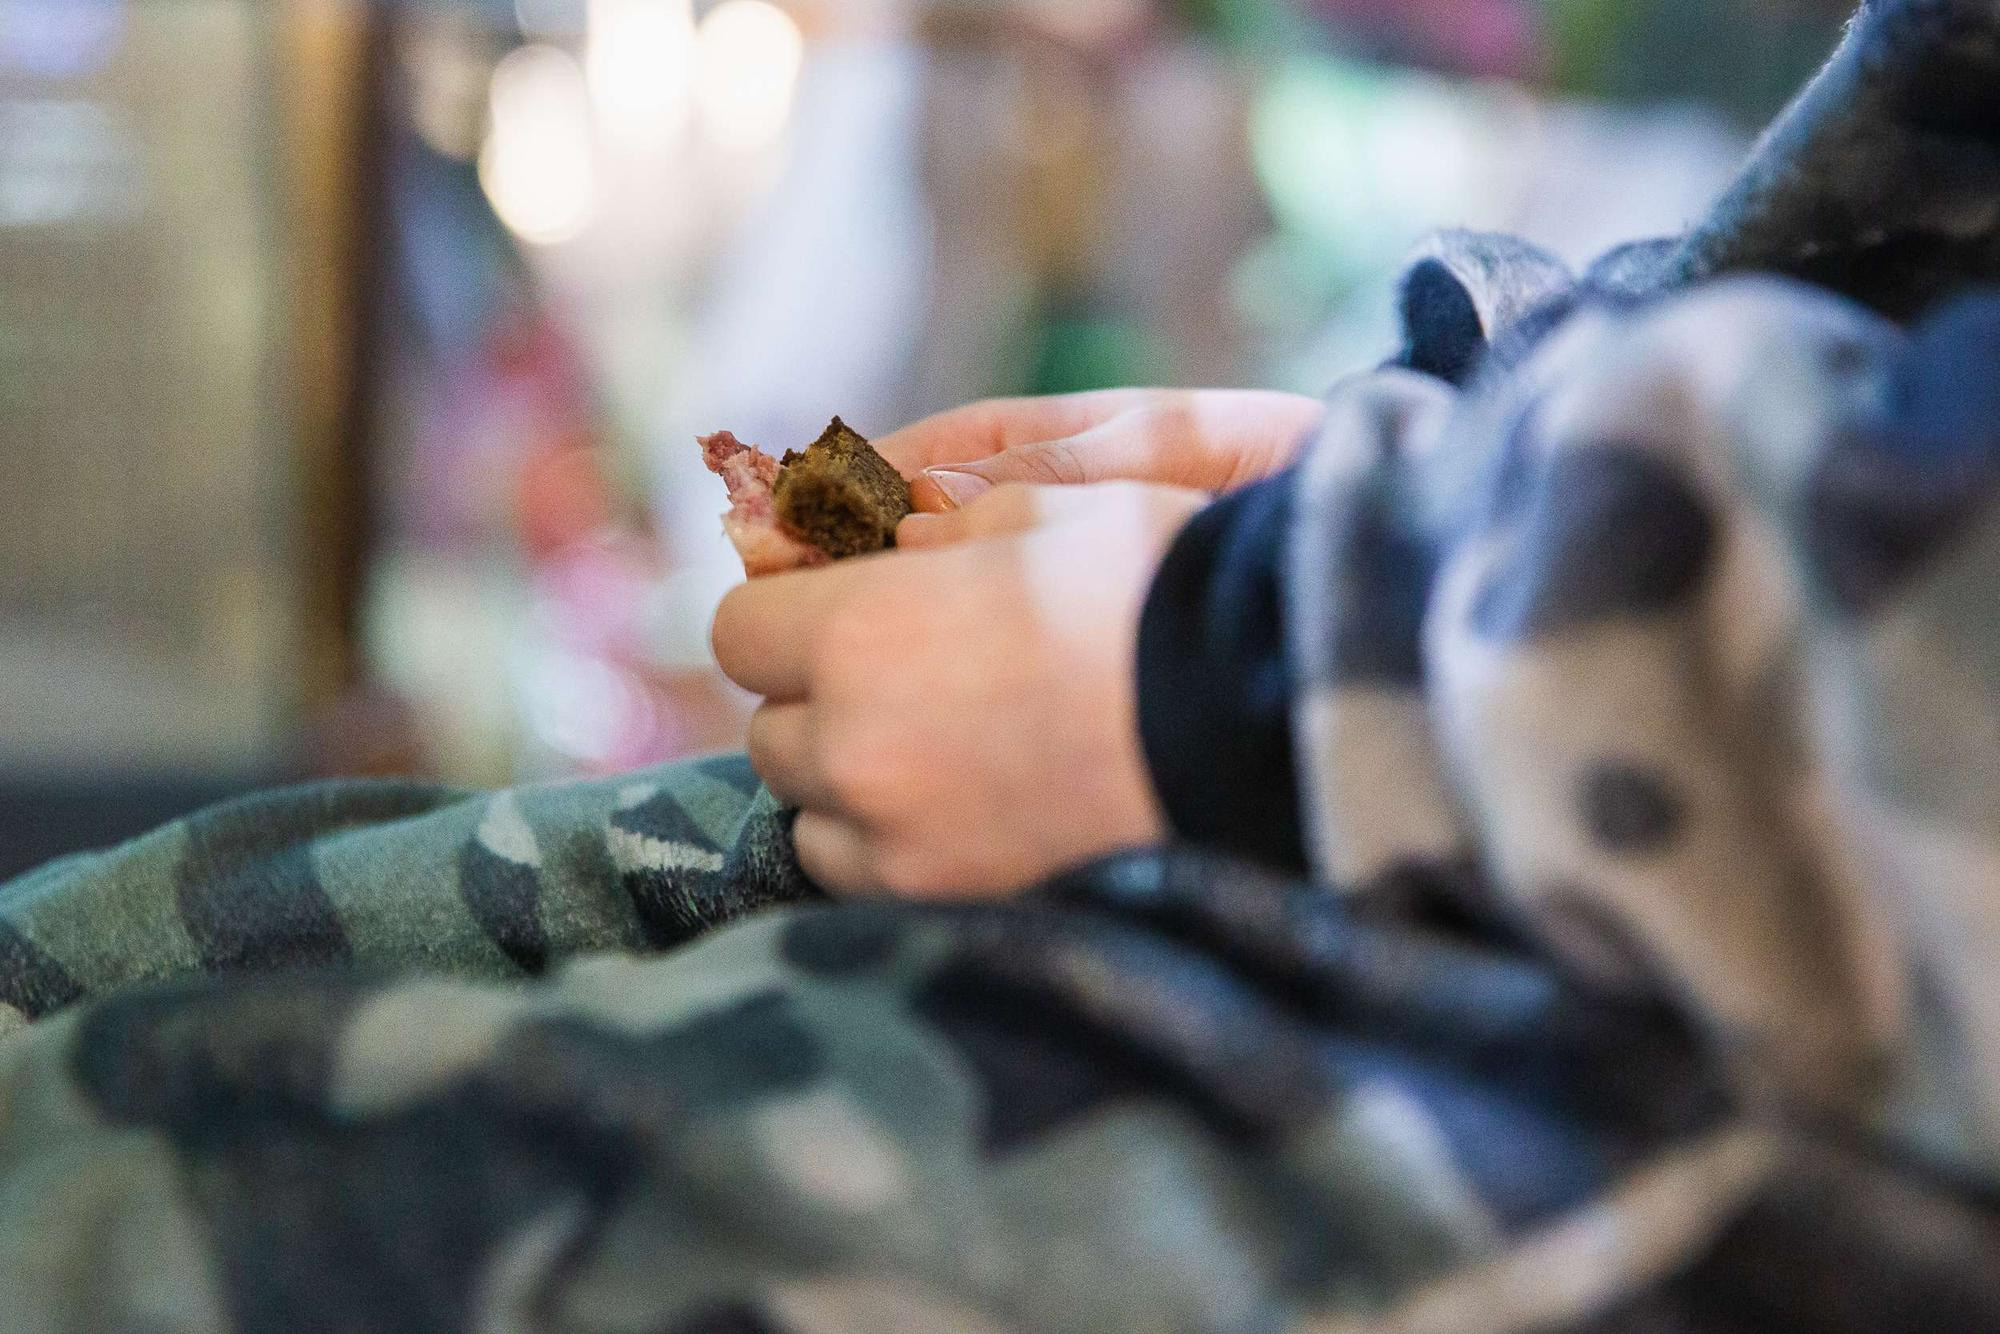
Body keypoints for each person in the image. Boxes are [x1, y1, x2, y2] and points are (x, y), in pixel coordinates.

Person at [0, 1, 1998, 1329]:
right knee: (134, 944)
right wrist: (1438, 479)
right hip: (1500, 651)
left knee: (147, 1223)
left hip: (1726, 912)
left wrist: (1242, 660)